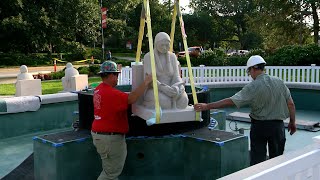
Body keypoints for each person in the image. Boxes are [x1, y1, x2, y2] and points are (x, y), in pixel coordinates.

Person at [194, 55, 297, 165]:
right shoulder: (279, 82)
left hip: (260, 127)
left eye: (249, 71)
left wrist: (207, 106)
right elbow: (291, 104)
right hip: (278, 127)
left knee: (257, 162)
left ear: (252, 69)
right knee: (277, 162)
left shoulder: (253, 87)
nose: (250, 75)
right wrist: (292, 122)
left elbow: (231, 101)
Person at [91, 60, 152, 180]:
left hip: (101, 136)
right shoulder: (110, 93)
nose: (118, 78)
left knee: (110, 170)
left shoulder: (99, 89)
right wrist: (146, 83)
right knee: (110, 174)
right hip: (110, 140)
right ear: (111, 75)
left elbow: (120, 98)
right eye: (117, 75)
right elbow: (131, 98)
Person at [142, 32, 188, 109]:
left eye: (167, 45)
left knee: (183, 101)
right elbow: (149, 80)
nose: (164, 47)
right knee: (166, 103)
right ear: (156, 44)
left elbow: (176, 76)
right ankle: (148, 103)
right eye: (162, 45)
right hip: (155, 89)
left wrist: (178, 87)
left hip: (172, 88)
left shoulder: (172, 56)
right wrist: (164, 89)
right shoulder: (148, 57)